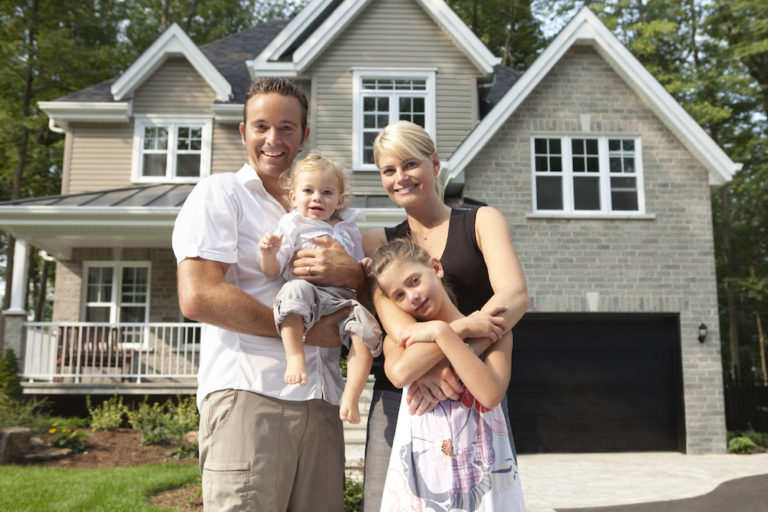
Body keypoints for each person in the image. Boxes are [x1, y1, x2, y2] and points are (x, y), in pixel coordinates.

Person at [172, 77, 364, 512]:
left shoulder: (327, 210)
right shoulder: (220, 194)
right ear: (243, 132)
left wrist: (353, 273)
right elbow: (198, 296)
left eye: (286, 128)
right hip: (251, 396)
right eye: (260, 126)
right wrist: (308, 335)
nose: (273, 140)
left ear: (304, 135)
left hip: (323, 399)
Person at [361, 120, 530, 511]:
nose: (400, 177)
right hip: (406, 397)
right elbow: (400, 333)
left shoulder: (482, 221)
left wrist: (458, 357)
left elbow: (515, 296)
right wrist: (453, 336)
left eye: (410, 164)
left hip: (476, 388)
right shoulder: (378, 242)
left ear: (434, 163)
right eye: (389, 170)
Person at [372, 237, 526, 510]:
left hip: (485, 477)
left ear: (436, 267)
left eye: (414, 281)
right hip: (424, 485)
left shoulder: (492, 329)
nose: (412, 296)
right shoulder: (402, 340)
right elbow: (399, 373)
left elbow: (490, 394)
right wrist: (455, 331)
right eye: (399, 296)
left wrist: (443, 333)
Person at [258, 152, 382, 423]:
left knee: (365, 329)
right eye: (308, 190)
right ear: (293, 197)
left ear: (339, 200)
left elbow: (355, 265)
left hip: (342, 300)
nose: (317, 197)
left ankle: (351, 392)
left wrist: (365, 265)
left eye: (326, 192)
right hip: (309, 292)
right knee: (292, 293)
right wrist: (269, 253)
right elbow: (273, 270)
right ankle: (294, 356)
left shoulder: (348, 228)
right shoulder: (293, 225)